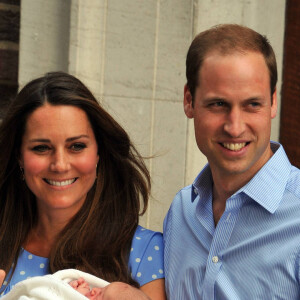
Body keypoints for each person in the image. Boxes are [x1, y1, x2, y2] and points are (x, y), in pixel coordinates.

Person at [0, 72, 165, 299]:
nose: (60, 165)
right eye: (41, 148)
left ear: (99, 152)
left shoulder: (145, 251)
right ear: (19, 155)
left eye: (76, 146)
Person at [163, 24, 300, 299]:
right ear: (189, 101)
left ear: (273, 102)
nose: (235, 128)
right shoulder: (181, 213)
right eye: (218, 105)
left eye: (252, 104)